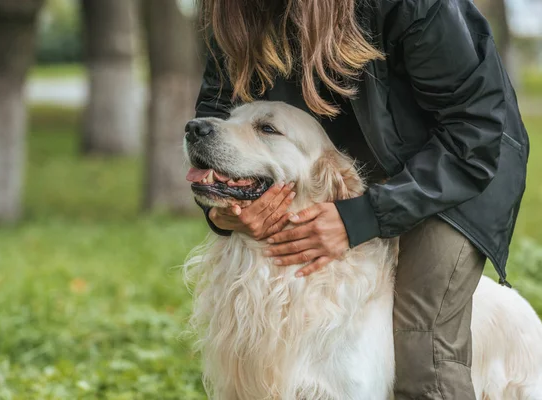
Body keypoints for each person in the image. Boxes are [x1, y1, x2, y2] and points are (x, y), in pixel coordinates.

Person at [193, 0, 529, 398]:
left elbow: (473, 131)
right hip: (322, 164)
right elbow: (217, 114)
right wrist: (226, 210)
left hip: (460, 166)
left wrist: (361, 216)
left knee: (423, 343)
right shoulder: (232, 9)